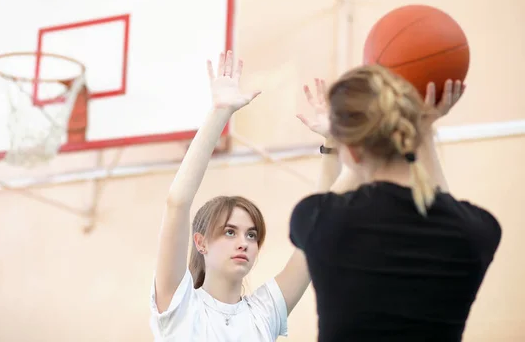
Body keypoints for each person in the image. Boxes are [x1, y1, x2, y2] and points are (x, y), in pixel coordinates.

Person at [290, 64, 502, 342]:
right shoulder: (477, 231)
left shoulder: (320, 222)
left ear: (352, 151)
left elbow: (322, 202)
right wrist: (424, 129)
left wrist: (337, 143)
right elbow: (445, 206)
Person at [149, 51, 343, 341]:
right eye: (230, 232)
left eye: (252, 235)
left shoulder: (264, 312)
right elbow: (177, 202)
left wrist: (333, 143)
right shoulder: (181, 305)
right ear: (200, 242)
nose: (244, 243)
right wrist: (219, 113)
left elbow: (317, 232)